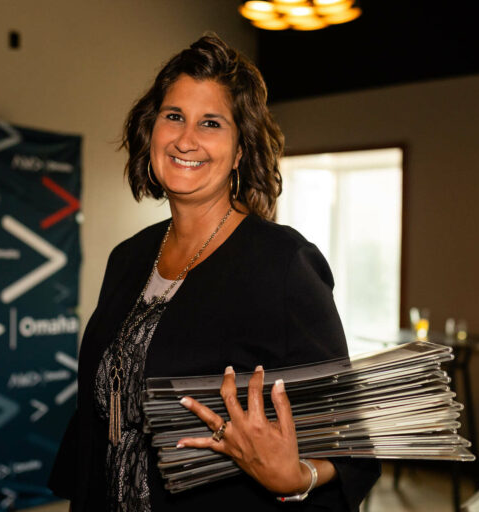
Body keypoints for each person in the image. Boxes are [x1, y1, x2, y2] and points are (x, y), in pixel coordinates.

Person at [48, 33, 380, 511]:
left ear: (240, 151)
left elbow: (350, 442)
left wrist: (297, 475)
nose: (186, 139)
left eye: (211, 123)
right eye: (174, 117)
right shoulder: (127, 258)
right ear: (152, 130)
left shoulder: (283, 264)